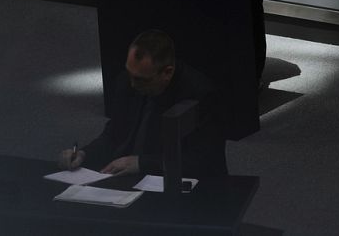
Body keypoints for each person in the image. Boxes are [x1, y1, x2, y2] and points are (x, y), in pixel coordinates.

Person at [58, 30, 227, 177]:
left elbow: (202, 160)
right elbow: (115, 134)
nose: (132, 84)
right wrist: (84, 154)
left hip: (177, 182)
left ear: (167, 72)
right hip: (127, 176)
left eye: (140, 79)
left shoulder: (200, 94)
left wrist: (141, 164)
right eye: (129, 73)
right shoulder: (126, 82)